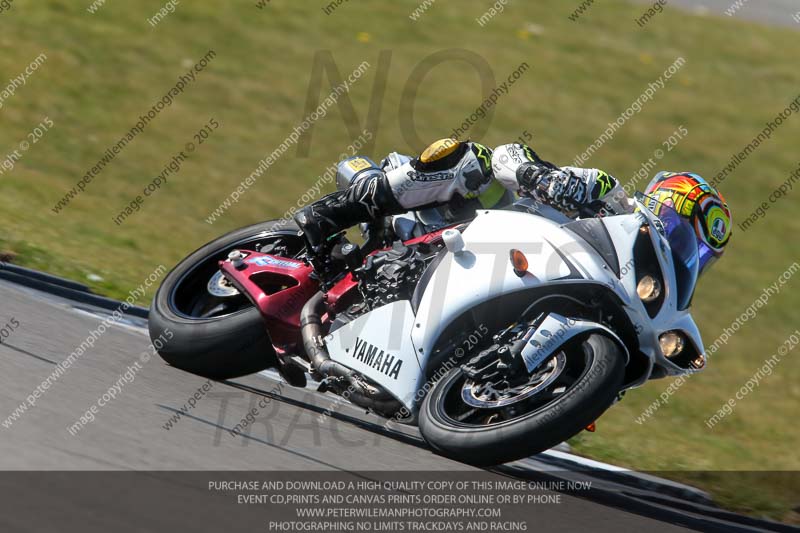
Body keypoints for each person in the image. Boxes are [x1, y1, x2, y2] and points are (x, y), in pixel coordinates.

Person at [294, 138, 732, 284]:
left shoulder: (640, 287)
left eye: (695, 255)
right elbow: (509, 154)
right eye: (681, 236)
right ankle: (336, 211)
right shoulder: (606, 195)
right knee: (474, 162)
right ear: (664, 207)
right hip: (462, 233)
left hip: (504, 283)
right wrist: (538, 176)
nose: (681, 254)